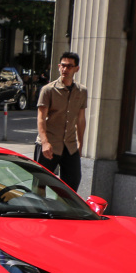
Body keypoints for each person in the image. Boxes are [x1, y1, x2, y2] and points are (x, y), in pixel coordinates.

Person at [35, 51, 88, 191]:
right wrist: (45, 142)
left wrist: (80, 144)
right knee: (40, 186)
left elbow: (81, 119)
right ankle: (39, 212)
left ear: (77, 68)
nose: (65, 69)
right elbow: (41, 118)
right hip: (49, 145)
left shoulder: (82, 91)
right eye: (63, 66)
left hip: (70, 146)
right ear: (59, 66)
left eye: (69, 66)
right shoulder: (48, 90)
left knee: (72, 184)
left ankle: (65, 212)